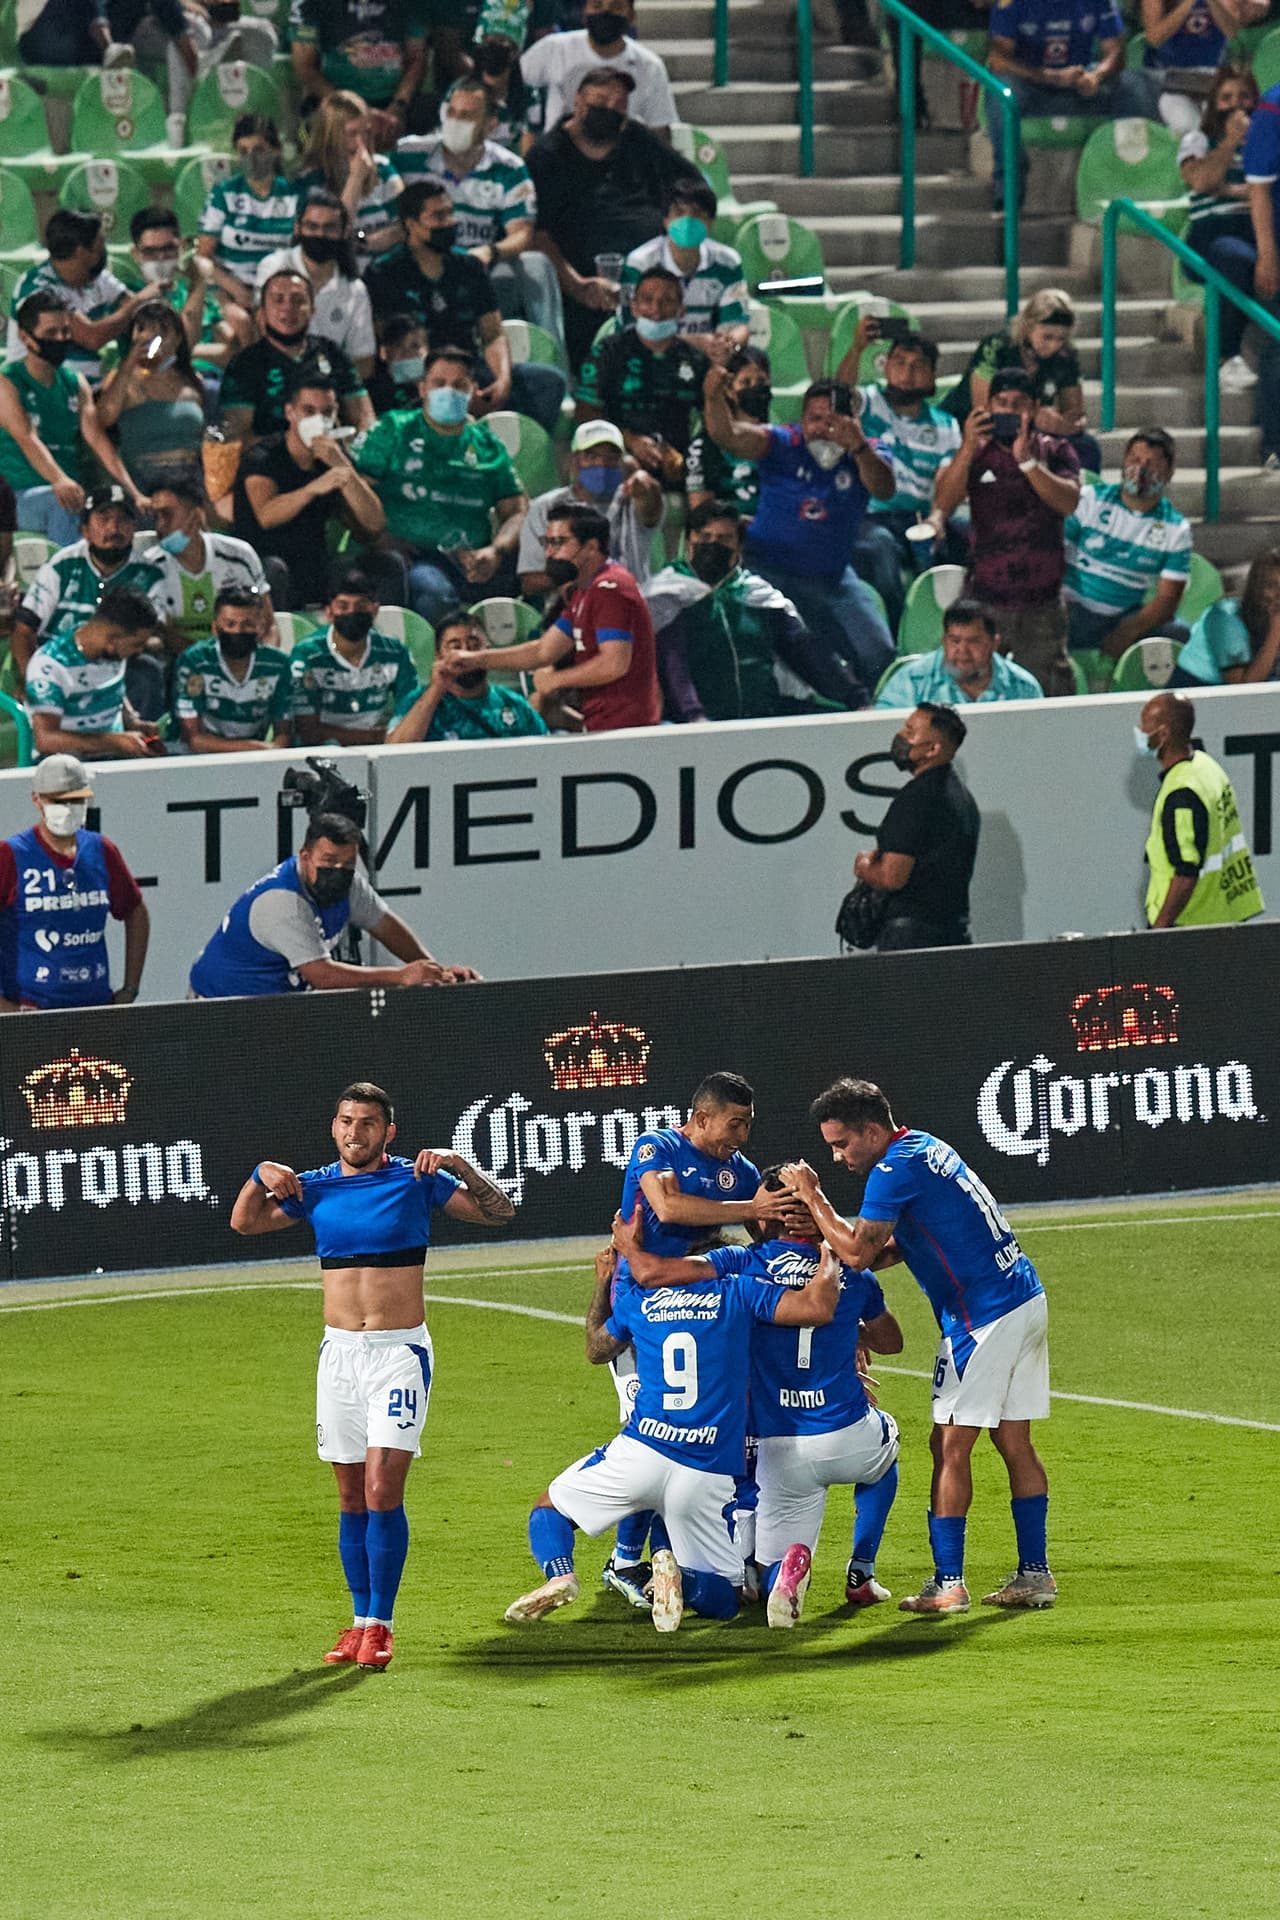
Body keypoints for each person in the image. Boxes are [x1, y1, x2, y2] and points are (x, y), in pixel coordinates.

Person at [230, 1080, 513, 1670]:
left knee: (384, 1490)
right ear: (333, 1127)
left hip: (398, 1355)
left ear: (389, 1131)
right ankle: (357, 1621)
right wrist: (260, 1172)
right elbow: (244, 1223)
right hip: (338, 1357)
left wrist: (462, 1163)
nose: (353, 1132)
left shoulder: (417, 1180)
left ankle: (381, 1625)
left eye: (366, 1123)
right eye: (344, 1121)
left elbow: (499, 1212)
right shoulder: (316, 1188)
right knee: (350, 1496)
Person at [780, 1079, 1055, 1615]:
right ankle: (1035, 1575)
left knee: (948, 1446)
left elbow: (860, 1251)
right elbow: (899, 1245)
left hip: (983, 1318)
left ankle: (948, 1583)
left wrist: (813, 1199)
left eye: (842, 1144)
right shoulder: (926, 1146)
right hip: (1024, 1297)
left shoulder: (891, 1169)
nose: (837, 1157)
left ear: (873, 1130)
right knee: (1014, 1442)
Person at [506, 1186, 837, 1630]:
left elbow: (596, 1348)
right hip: (708, 1470)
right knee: (726, 1599)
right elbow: (814, 1310)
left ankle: (561, 1575)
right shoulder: (739, 1294)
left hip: (644, 1450)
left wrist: (605, 1277)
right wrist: (830, 1246)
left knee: (549, 1507)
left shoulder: (643, 1300)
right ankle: (679, 1577)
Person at [612, 1181, 903, 1626]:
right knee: (887, 1451)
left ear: (766, 1218)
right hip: (844, 1433)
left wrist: (627, 1251)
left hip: (773, 1445)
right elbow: (892, 1341)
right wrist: (849, 1335)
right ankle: (861, 1571)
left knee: (750, 1560)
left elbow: (659, 1276)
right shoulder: (851, 1272)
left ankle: (734, 1571)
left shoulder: (740, 1266)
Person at [702, 366, 896, 698]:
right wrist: (712, 395)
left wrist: (859, 448)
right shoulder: (782, 442)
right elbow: (728, 435)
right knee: (797, 651)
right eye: (815, 419)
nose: (823, 429)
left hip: (832, 579)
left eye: (833, 421)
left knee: (878, 653)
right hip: (769, 572)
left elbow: (884, 489)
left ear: (853, 423)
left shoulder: (868, 451)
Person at [189, 811, 478, 997]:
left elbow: (386, 926)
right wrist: (402, 976)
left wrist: (434, 971)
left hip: (272, 1002)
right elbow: (323, 975)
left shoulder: (347, 883)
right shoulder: (283, 902)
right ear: (305, 857)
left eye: (347, 863)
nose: (337, 870)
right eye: (328, 861)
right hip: (219, 1004)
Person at [526, 68, 701, 366]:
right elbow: (537, 233)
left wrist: (677, 224)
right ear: (578, 101)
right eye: (601, 101)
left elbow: (690, 184)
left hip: (653, 271)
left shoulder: (637, 139)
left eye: (620, 105)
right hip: (582, 284)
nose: (610, 109)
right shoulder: (547, 155)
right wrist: (578, 284)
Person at [363, 179, 566, 431]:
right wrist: (446, 392)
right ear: (411, 224)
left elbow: (492, 334)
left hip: (469, 371)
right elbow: (389, 351)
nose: (449, 222)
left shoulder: (468, 267)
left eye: (450, 213)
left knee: (548, 383)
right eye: (438, 216)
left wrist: (502, 381)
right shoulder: (383, 273)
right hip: (416, 379)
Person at [352, 344, 527, 626]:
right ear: (422, 388)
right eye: (439, 383)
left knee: (534, 577)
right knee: (433, 593)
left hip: (474, 559)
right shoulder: (392, 430)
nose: (449, 392)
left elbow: (517, 510)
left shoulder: (488, 445)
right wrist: (379, 539)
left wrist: (496, 550)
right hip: (414, 557)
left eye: (459, 385)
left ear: (472, 390)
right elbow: (354, 495)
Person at [649, 499, 870, 719]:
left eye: (724, 539)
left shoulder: (758, 595)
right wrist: (695, 717)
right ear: (689, 541)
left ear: (738, 546)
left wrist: (854, 696)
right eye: (704, 537)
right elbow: (673, 665)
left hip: (761, 716)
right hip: (694, 724)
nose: (713, 544)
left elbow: (805, 650)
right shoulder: (666, 596)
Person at [933, 367, 1080, 696]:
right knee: (970, 689)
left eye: (1019, 403)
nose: (1010, 411)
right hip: (986, 599)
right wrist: (969, 447)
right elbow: (944, 500)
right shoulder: (973, 451)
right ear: (988, 407)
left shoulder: (1056, 450)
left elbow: (1068, 502)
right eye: (1002, 403)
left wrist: (1028, 463)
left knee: (1046, 696)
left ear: (1036, 407)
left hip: (1041, 603)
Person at [450, 501, 661, 730]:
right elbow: (542, 651)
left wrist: (556, 680)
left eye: (558, 542)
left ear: (591, 547)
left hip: (627, 729)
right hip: (602, 725)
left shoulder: (610, 588)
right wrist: (475, 659)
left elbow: (614, 663)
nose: (549, 552)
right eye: (547, 542)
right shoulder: (584, 592)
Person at [393, 77, 563, 338]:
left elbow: (522, 233)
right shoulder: (409, 154)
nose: (455, 121)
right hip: (420, 260)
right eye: (451, 112)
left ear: (490, 125)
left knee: (536, 265)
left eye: (467, 116)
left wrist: (490, 252)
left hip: (477, 263)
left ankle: (548, 350)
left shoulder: (508, 167)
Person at [840, 326, 965, 635]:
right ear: (886, 366)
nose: (906, 373)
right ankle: (894, 638)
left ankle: (953, 634)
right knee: (879, 548)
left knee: (968, 538)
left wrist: (938, 519)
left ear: (933, 375)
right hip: (870, 515)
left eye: (917, 366)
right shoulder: (869, 402)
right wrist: (856, 348)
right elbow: (839, 397)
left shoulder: (945, 425)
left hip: (921, 518)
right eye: (899, 362)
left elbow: (948, 478)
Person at [0, 751, 149, 1011]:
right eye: (58, 800)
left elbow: (135, 910)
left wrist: (130, 988)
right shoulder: (11, 855)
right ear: (37, 800)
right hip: (28, 1010)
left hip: (94, 1008)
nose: (68, 809)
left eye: (77, 800)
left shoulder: (101, 850)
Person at [233, 370, 387, 611]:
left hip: (313, 563)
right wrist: (313, 488)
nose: (319, 420)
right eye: (309, 411)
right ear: (290, 412)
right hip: (264, 564)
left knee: (384, 565)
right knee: (275, 569)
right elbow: (267, 515)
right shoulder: (263, 458)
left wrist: (342, 466)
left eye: (327, 412)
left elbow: (374, 524)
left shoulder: (334, 459)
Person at [0, 291, 141, 549]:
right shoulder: (7, 381)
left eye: (66, 331)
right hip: (16, 495)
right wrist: (58, 479)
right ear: (25, 337)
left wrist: (132, 490)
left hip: (67, 490)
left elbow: (97, 439)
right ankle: (64, 581)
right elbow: (26, 437)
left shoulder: (75, 382)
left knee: (116, 508)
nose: (61, 339)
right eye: (51, 332)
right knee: (62, 503)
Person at [986, 0, 1159, 210]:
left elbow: (1115, 50)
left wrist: (1096, 76)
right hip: (1033, 87)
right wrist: (1049, 76)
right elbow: (998, 59)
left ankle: (1135, 178)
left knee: (1137, 83)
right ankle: (1008, 190)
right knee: (1001, 90)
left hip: (1080, 86)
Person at [1063, 430, 1192, 679]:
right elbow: (1053, 555)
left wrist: (1128, 631)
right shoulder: (1089, 499)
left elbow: (1167, 600)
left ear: (1169, 472)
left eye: (1152, 463)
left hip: (1125, 616)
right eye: (1134, 459)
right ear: (1123, 461)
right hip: (1072, 608)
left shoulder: (1176, 528)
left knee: (1181, 635)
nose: (1141, 469)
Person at [851, 702, 980, 951]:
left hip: (912, 939)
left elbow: (892, 876)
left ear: (933, 749)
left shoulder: (918, 797)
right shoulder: (961, 796)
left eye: (910, 732)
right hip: (951, 931)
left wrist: (864, 867)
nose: (901, 737)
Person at [1136, 691, 1264, 927]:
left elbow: (1185, 874)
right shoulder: (1206, 767)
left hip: (1192, 925)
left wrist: (1158, 931)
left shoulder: (1181, 793)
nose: (1139, 732)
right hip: (1228, 915)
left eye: (1144, 726)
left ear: (1162, 735)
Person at [13, 487, 165, 683]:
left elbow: (155, 636)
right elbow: (24, 630)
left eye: (123, 520)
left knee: (147, 670)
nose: (114, 528)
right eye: (104, 519)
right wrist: (32, 681)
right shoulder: (62, 565)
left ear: (134, 528)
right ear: (85, 530)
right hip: (58, 667)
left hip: (117, 670)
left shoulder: (149, 575)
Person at [944, 288, 1101, 475]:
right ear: (1028, 327)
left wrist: (1062, 425)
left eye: (1061, 338)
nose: (1054, 346)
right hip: (978, 425)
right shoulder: (997, 348)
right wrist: (1034, 418)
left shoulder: (1066, 355)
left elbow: (1076, 414)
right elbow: (984, 409)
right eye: (1047, 337)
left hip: (1029, 430)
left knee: (1085, 446)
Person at [575, 266, 708, 487]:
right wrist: (629, 440)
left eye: (667, 301)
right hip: (617, 454)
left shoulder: (695, 360)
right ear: (634, 307)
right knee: (629, 470)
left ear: (681, 309)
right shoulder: (609, 351)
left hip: (677, 460)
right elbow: (584, 412)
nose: (656, 309)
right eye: (647, 300)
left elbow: (710, 421)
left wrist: (688, 457)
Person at [1178, 62, 1259, 392]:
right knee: (1236, 259)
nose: (1236, 104)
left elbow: (1264, 192)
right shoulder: (1197, 140)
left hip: (1258, 228)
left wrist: (1230, 189)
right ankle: (1227, 357)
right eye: (1227, 97)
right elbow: (1200, 180)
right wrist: (1229, 143)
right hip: (1212, 234)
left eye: (1244, 96)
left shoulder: (1268, 141)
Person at [220, 271, 374, 444]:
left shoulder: (332, 353)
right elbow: (238, 437)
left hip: (334, 456)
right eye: (278, 300)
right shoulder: (245, 364)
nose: (288, 307)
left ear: (312, 309)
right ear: (261, 313)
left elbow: (364, 417)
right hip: (269, 464)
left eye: (298, 300)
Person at [518, 417, 663, 596]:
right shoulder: (545, 507)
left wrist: (646, 484)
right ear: (573, 461)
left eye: (611, 457)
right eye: (591, 456)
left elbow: (651, 509)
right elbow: (530, 581)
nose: (601, 464)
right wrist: (579, 574)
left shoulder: (632, 500)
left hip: (629, 606)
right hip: (570, 610)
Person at [6, 209, 146, 388]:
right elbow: (92, 337)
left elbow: (130, 305)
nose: (104, 251)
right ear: (81, 252)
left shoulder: (96, 278)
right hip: (39, 391)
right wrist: (140, 299)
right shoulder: (37, 287)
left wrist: (139, 308)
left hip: (88, 390)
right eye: (100, 244)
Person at [24, 585, 164, 762]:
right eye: (137, 644)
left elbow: (114, 690)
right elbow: (46, 740)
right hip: (66, 763)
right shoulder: (50, 665)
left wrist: (133, 722)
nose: (139, 651)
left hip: (115, 755)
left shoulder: (113, 654)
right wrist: (114, 742)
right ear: (113, 639)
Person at [290, 568, 420, 745]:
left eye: (361, 606)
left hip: (382, 751)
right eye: (343, 606)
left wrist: (394, 733)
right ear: (329, 612)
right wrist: (377, 738)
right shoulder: (307, 655)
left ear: (374, 610)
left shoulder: (395, 652)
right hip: (325, 752)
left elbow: (409, 709)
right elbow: (307, 731)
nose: (352, 612)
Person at [619, 181, 750, 358]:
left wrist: (728, 344)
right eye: (679, 213)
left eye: (697, 214)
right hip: (649, 353)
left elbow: (737, 324)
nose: (688, 222)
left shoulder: (728, 262)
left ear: (710, 223)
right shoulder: (640, 263)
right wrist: (694, 342)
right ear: (665, 221)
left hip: (707, 357)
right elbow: (630, 329)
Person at [255, 191, 377, 380]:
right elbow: (262, 330)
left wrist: (325, 383)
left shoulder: (355, 290)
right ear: (298, 228)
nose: (320, 234)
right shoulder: (274, 267)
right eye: (312, 226)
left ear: (344, 231)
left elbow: (364, 360)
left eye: (330, 228)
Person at [92, 300, 207, 498]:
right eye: (144, 329)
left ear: (178, 338)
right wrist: (129, 364)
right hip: (145, 479)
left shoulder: (192, 380)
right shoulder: (123, 379)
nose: (154, 337)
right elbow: (103, 418)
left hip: (191, 477)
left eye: (162, 330)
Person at [144, 476, 269, 652]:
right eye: (155, 516)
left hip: (241, 658)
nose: (160, 525)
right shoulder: (149, 568)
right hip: (179, 664)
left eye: (167, 514)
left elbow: (267, 623)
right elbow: (162, 636)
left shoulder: (239, 555)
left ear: (196, 515)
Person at [519, 0, 678, 137]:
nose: (605, 13)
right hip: (560, 160)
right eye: (597, 5)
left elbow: (660, 129)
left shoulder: (650, 66)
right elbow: (512, 82)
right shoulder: (553, 48)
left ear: (631, 16)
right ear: (584, 12)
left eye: (616, 7)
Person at [388, 607, 548, 741]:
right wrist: (435, 691)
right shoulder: (417, 701)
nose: (465, 654)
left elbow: (545, 753)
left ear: (487, 652)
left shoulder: (512, 703)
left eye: (474, 645)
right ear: (438, 656)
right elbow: (394, 753)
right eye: (455, 647)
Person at [196, 116, 298, 322]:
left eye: (259, 150)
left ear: (276, 150)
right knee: (241, 323)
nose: (251, 157)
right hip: (229, 290)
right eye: (243, 151)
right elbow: (202, 257)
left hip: (277, 291)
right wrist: (236, 290)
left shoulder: (293, 195)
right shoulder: (224, 194)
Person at [296, 91, 407, 271]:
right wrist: (356, 178)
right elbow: (333, 236)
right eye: (351, 133)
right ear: (330, 137)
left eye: (366, 132)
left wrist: (361, 240)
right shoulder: (310, 181)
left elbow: (403, 227)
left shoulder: (384, 168)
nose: (360, 142)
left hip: (387, 272)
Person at [174, 585, 293, 752]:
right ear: (215, 628)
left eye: (247, 625)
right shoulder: (195, 661)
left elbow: (284, 732)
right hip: (202, 758)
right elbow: (193, 738)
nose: (238, 631)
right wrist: (255, 748)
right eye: (230, 624)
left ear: (260, 628)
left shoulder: (278, 664)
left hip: (256, 760)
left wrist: (273, 750)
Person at [289, 0, 427, 137]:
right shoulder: (308, 3)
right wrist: (349, 108)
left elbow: (416, 58)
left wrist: (399, 106)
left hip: (395, 101)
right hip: (334, 98)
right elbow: (305, 65)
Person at [875, 600, 1043, 708]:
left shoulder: (1023, 687)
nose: (962, 651)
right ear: (944, 640)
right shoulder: (911, 682)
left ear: (994, 643)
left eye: (974, 641)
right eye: (954, 641)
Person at [1142, 0, 1265, 136]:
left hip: (1212, 78)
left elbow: (1232, 31)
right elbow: (1155, 37)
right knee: (1189, 127)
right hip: (1171, 82)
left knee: (1236, 123)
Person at [1173, 542, 1280, 683]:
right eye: (1271, 585)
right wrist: (1276, 628)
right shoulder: (1225, 618)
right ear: (1256, 587)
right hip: (1200, 697)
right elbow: (1242, 691)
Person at [686, 346, 772, 518]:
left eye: (761, 382)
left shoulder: (780, 439)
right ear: (729, 391)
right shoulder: (703, 445)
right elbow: (702, 513)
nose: (754, 388)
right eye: (745, 382)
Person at [471, 0, 542, 154]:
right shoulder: (460, 92)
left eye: (503, 42)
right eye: (490, 42)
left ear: (515, 51)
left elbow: (528, 152)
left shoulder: (528, 96)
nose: (495, 48)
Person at [367, 313, 432, 414]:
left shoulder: (440, 387)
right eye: (398, 346)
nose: (407, 353)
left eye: (415, 346)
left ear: (427, 351)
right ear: (384, 352)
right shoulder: (373, 394)